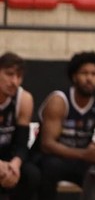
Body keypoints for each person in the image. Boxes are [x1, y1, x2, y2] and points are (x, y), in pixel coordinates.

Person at [33, 51, 95, 200]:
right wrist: (84, 154)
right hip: (57, 157)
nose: (89, 78)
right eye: (84, 73)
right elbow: (47, 145)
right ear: (74, 76)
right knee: (50, 166)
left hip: (82, 160)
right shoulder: (59, 101)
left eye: (94, 74)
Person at [0, 53, 39, 200]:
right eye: (9, 74)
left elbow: (22, 143)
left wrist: (15, 164)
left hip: (8, 156)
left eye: (19, 76)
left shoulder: (24, 99)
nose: (14, 81)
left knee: (31, 174)